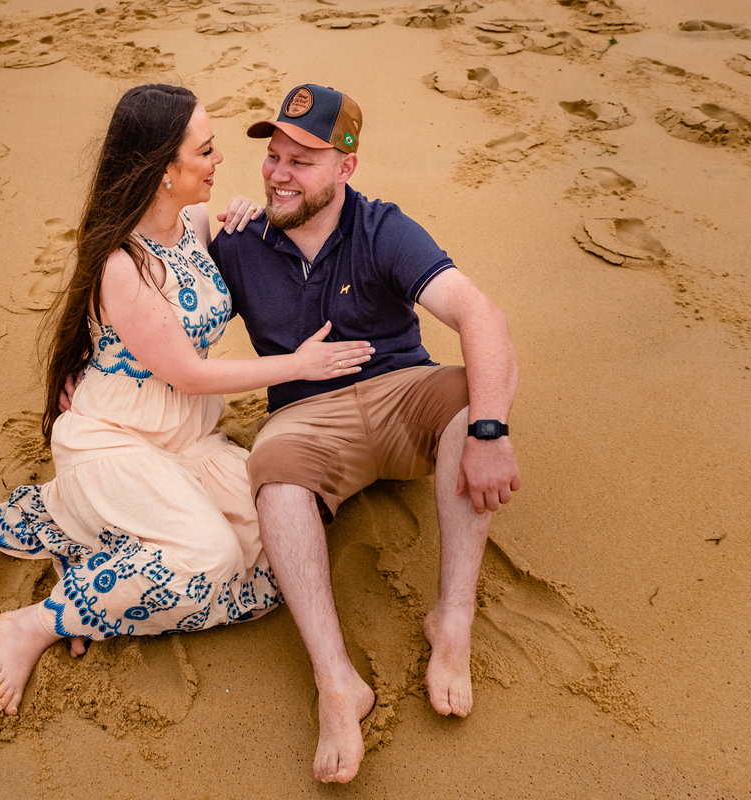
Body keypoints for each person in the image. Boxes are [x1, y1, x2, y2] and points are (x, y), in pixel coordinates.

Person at [0, 84, 374, 718]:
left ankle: (112, 576)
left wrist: (245, 216)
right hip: (119, 440)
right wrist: (298, 365)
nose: (218, 163)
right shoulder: (120, 264)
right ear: (163, 171)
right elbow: (185, 373)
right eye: (205, 152)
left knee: (276, 543)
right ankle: (37, 623)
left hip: (190, 441)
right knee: (210, 557)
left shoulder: (196, 224)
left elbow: (215, 283)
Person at [209, 84, 521, 784]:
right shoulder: (240, 239)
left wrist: (491, 431)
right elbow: (148, 267)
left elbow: (480, 316)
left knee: (475, 400)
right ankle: (336, 681)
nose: (279, 174)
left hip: (403, 397)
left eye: (303, 162)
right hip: (306, 420)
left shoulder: (382, 228)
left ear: (346, 168)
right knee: (273, 472)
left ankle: (452, 620)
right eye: (274, 155)